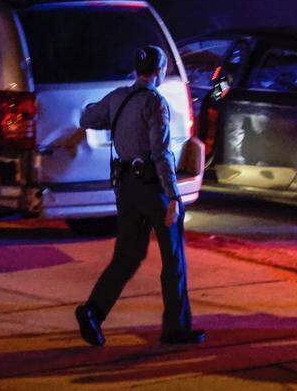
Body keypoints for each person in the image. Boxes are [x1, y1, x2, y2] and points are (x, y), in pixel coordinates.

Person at [74, 45, 204, 347]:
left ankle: (93, 311)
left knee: (127, 255)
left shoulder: (118, 98)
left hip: (127, 190)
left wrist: (106, 114)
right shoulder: (155, 103)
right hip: (153, 187)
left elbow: (87, 118)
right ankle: (176, 328)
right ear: (159, 71)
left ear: (137, 70)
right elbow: (161, 154)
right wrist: (173, 196)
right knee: (173, 258)